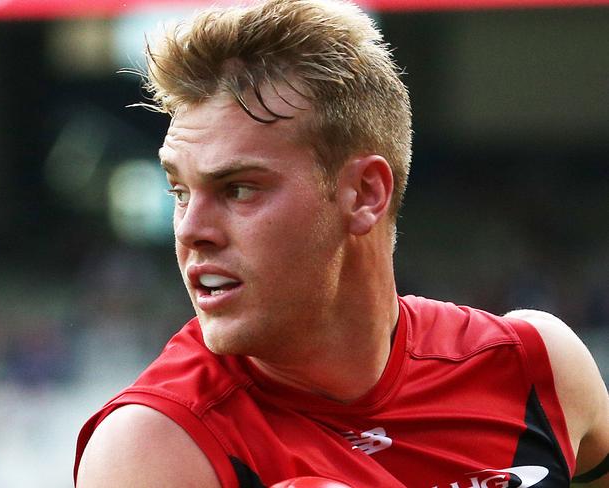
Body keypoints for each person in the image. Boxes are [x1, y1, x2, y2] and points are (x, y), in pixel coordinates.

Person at [74, 0, 609, 486]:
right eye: (180, 190)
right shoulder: (153, 447)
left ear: (364, 193)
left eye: (237, 188)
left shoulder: (537, 366)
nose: (191, 229)